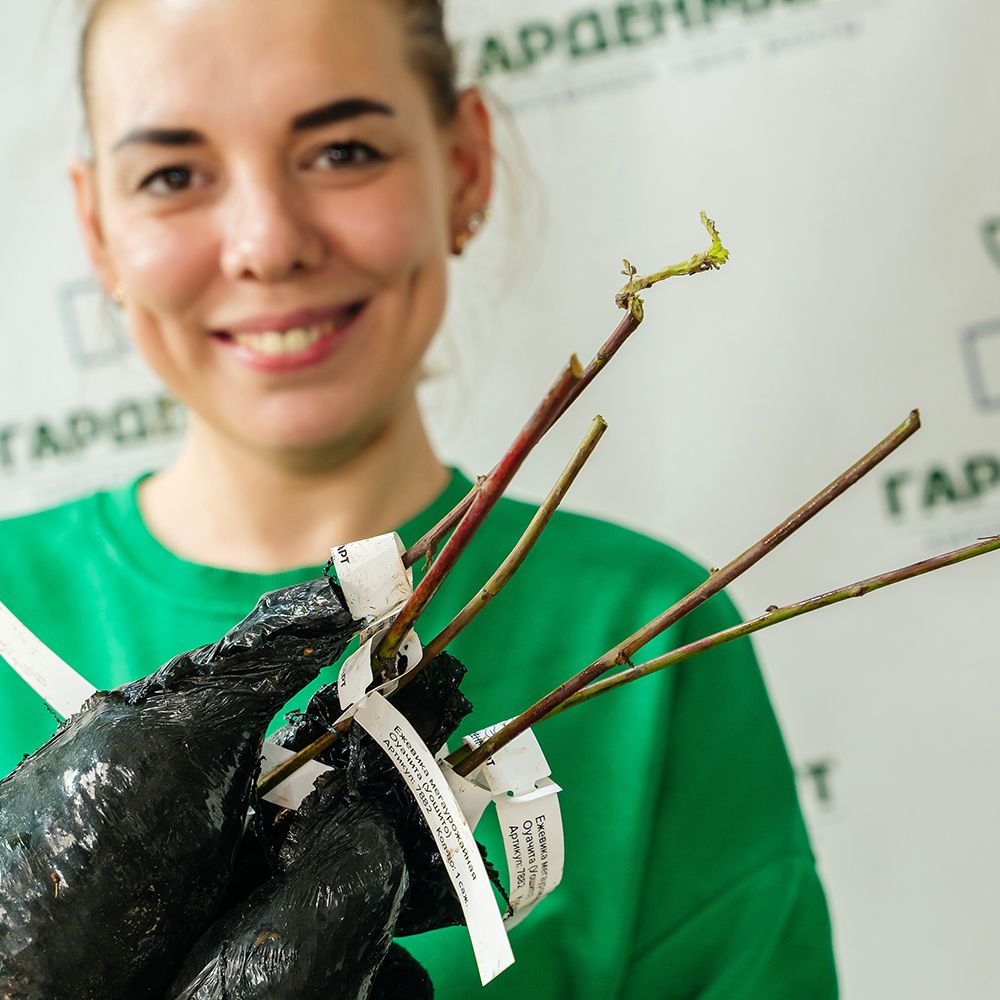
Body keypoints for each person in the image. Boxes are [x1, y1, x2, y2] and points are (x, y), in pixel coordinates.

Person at [0, 0, 838, 996]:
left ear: (465, 168)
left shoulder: (649, 633)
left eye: (343, 150)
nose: (267, 242)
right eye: (175, 175)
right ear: (98, 225)